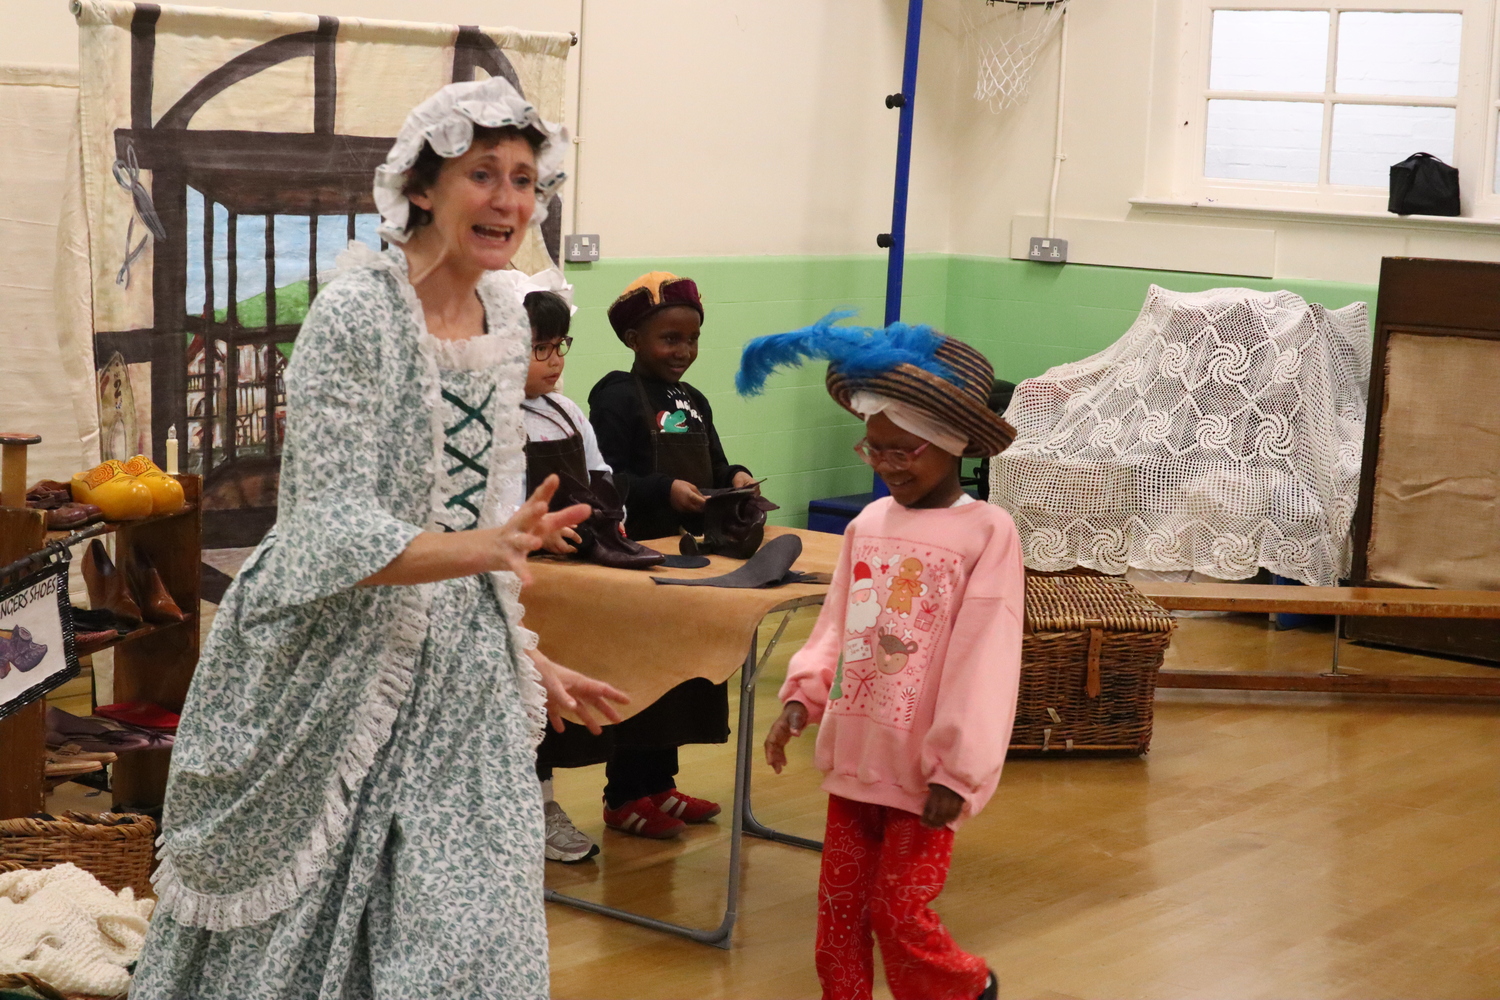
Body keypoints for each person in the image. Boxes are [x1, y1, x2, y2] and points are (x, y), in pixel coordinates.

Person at [130, 78, 627, 1000]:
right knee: (304, 904)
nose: (510, 200)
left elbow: (488, 523)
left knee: (466, 918)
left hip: (461, 677)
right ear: (423, 188)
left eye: (524, 179)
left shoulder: (507, 317)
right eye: (484, 174)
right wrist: (490, 548)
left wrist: (525, 658)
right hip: (330, 651)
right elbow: (329, 527)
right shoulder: (355, 314)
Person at [743, 313, 1023, 1000]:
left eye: (904, 450)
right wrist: (803, 696)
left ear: (951, 444)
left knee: (898, 912)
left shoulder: (987, 533)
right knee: (839, 912)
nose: (888, 464)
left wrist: (957, 768)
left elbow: (986, 659)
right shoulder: (869, 523)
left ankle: (965, 987)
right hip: (856, 759)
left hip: (925, 771)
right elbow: (839, 624)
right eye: (875, 450)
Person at [580, 273, 755, 839]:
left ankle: (660, 786)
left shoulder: (693, 401)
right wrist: (664, 490)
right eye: (670, 339)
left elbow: (716, 463)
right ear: (633, 339)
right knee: (641, 680)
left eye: (692, 339)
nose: (683, 351)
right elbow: (605, 478)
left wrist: (736, 476)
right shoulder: (615, 395)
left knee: (678, 682)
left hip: (690, 560)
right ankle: (623, 797)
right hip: (636, 562)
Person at [516, 282, 607, 864]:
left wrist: (604, 522)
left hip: (572, 579)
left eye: (560, 347)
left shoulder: (566, 412)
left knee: (554, 707)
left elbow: (600, 475)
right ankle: (532, 808)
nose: (555, 362)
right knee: (524, 700)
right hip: (518, 582)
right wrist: (536, 534)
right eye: (540, 350)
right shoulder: (490, 422)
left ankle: (544, 802)